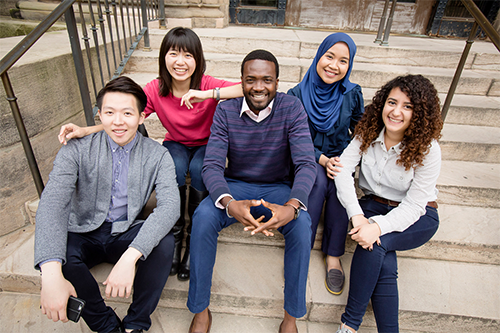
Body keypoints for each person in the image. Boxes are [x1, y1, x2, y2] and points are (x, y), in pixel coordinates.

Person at [57, 27, 242, 282]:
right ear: (163, 57)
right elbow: (125, 113)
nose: (180, 61)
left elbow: (247, 87)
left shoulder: (207, 84)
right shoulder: (155, 89)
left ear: (197, 59)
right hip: (175, 142)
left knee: (201, 170)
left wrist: (209, 94)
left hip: (206, 144)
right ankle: (175, 239)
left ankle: (192, 241)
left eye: (188, 55)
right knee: (174, 164)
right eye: (173, 53)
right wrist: (86, 129)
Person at [34, 76, 180, 333]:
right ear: (99, 115)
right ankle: (106, 325)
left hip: (124, 230)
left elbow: (170, 207)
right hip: (82, 231)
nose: (118, 121)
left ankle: (135, 324)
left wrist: (131, 256)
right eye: (110, 112)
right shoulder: (76, 149)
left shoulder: (158, 154)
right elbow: (53, 203)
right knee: (58, 255)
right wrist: (50, 273)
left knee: (165, 243)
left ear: (141, 117)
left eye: (127, 113)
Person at [186, 50, 317, 333]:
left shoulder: (292, 108)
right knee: (203, 216)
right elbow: (211, 165)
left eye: (266, 80)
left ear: (277, 82)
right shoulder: (226, 110)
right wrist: (229, 202)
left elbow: (307, 163)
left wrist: (293, 205)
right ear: (242, 82)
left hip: (278, 189)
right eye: (251, 80)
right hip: (236, 186)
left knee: (303, 223)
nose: (259, 87)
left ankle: (291, 317)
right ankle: (200, 310)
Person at [334, 74, 443, 333]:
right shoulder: (367, 132)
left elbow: (415, 205)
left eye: (407, 106)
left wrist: (377, 228)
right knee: (382, 257)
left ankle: (349, 326)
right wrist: (358, 217)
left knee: (375, 244)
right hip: (373, 204)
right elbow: (342, 171)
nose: (396, 112)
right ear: (382, 103)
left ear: (420, 113)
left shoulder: (428, 149)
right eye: (392, 102)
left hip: (419, 215)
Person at [287, 33, 364, 295]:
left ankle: (333, 255)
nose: (334, 65)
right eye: (329, 56)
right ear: (319, 56)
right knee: (317, 182)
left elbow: (361, 130)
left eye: (343, 61)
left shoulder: (352, 94)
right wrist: (321, 158)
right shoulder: (296, 94)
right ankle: (301, 247)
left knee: (341, 185)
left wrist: (344, 160)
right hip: (307, 156)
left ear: (349, 65)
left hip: (341, 158)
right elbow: (293, 138)